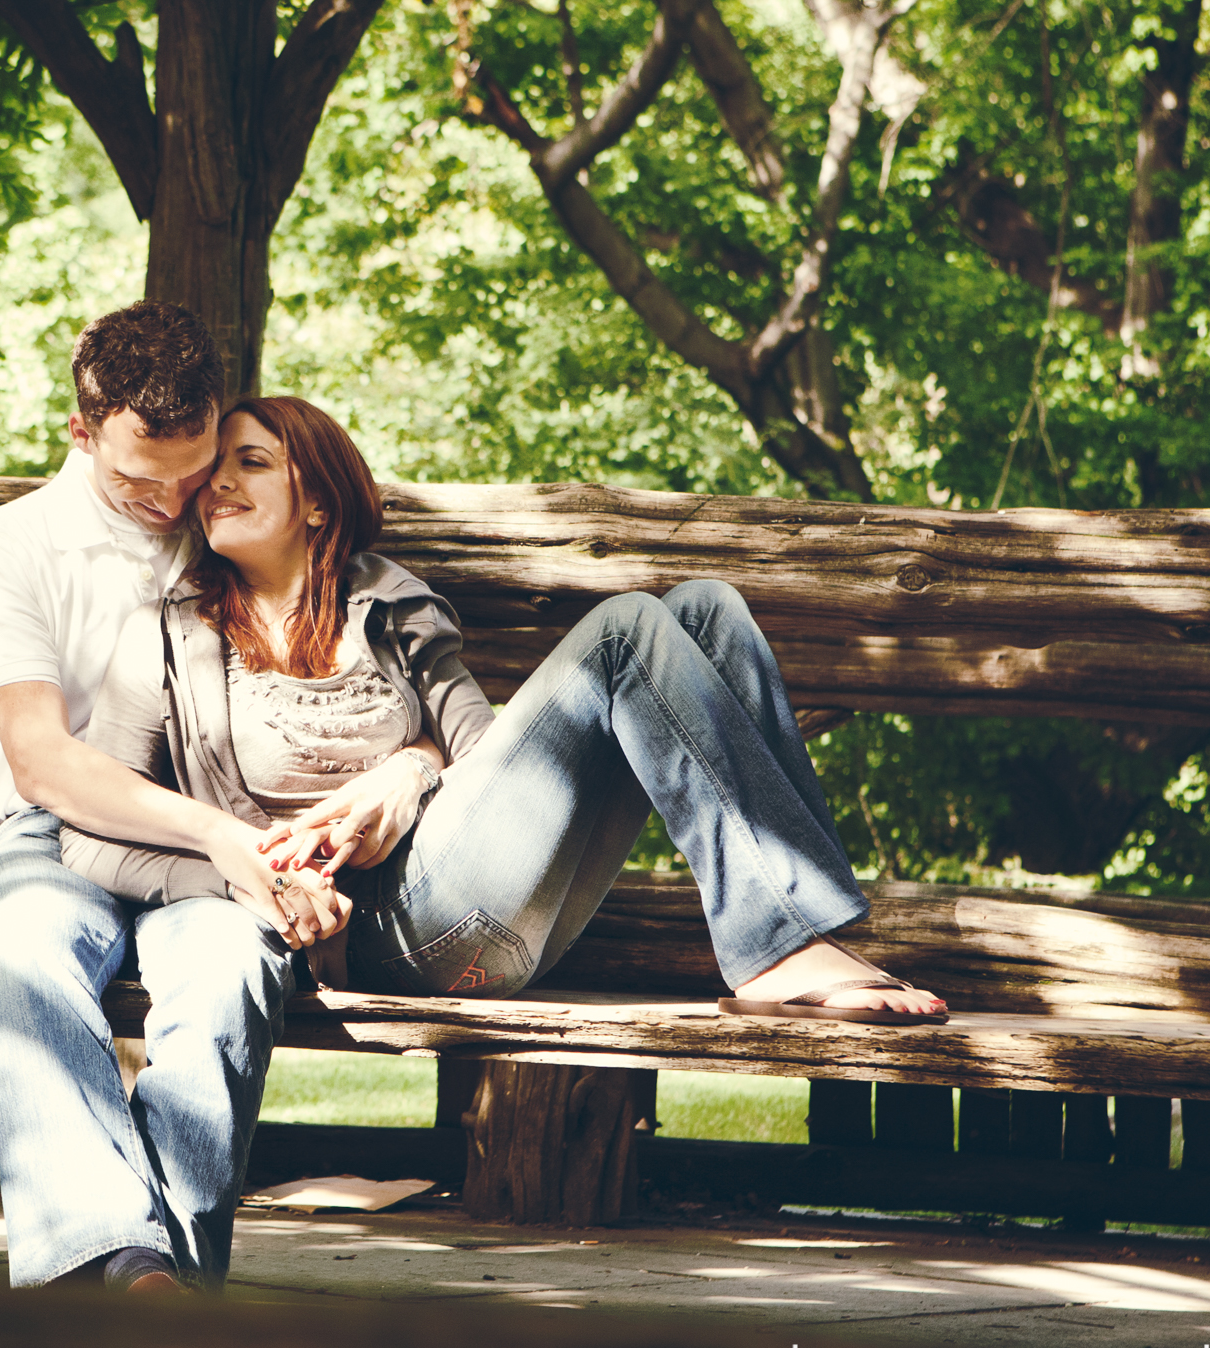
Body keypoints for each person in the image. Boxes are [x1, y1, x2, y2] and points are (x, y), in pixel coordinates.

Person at [59, 395, 948, 1025]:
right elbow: (92, 832)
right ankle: (781, 945)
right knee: (627, 630)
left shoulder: (394, 609)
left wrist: (405, 773)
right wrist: (249, 875)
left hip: (490, 894)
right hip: (371, 932)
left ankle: (800, 935)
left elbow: (493, 762)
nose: (216, 485)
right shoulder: (169, 637)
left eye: (250, 463)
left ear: (319, 501)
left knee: (710, 608)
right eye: (214, 470)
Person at [0, 303, 324, 1299]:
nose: (170, 503)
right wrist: (224, 836)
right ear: (81, 430)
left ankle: (142, 1282)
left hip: (215, 828)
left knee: (232, 968)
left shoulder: (234, 513)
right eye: (136, 477)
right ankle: (118, 1265)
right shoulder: (11, 545)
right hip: (64, 826)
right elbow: (40, 759)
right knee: (22, 940)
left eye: (190, 470)